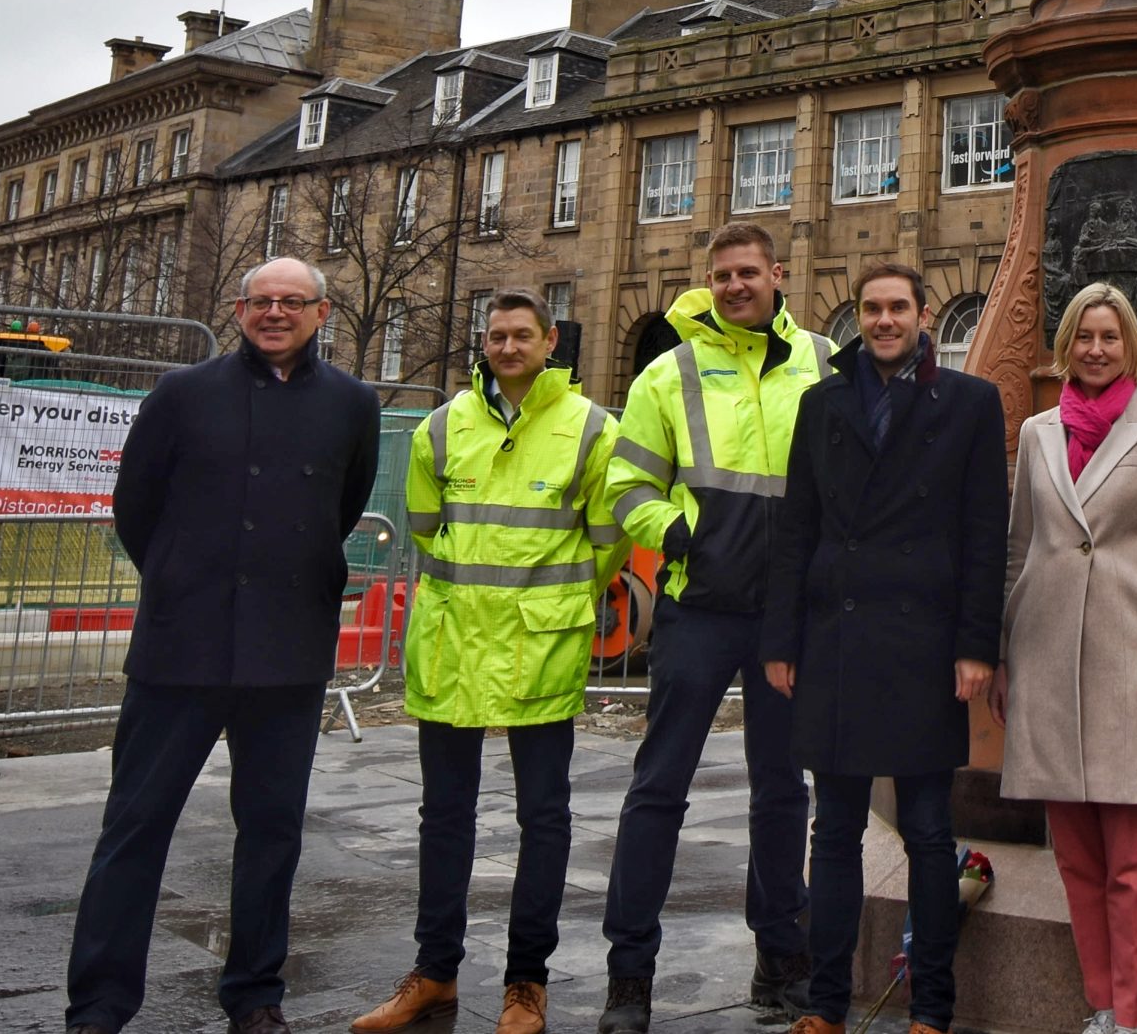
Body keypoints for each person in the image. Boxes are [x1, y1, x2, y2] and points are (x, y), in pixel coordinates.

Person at [64, 257, 380, 1034]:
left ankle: (255, 994)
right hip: (182, 647)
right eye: (260, 301)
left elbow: (342, 505)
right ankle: (101, 1003)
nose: (275, 312)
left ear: (321, 312)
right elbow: (136, 505)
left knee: (272, 832)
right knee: (134, 828)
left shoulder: (352, 404)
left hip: (288, 651)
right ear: (239, 309)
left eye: (291, 301)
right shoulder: (182, 393)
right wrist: (179, 577)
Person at [351, 290, 628, 1034]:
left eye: (522, 335)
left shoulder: (593, 429)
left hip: (540, 646)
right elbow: (426, 529)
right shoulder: (441, 428)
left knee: (545, 818)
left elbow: (609, 542)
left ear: (551, 340)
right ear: (484, 342)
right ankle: (434, 971)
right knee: (443, 816)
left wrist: (541, 601)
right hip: (452, 645)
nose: (508, 346)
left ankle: (525, 983)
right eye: (496, 335)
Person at [595, 223, 834, 1034]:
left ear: (778, 273)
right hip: (699, 608)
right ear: (711, 280)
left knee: (780, 794)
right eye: (722, 274)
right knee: (658, 789)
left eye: (749, 272)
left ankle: (783, 960)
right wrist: (675, 534)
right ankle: (629, 976)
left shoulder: (825, 361)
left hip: (787, 618)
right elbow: (626, 483)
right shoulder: (671, 369)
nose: (736, 285)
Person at [763, 263, 1008, 1034]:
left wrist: (977, 645)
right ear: (858, 318)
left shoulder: (970, 402)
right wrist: (780, 638)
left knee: (930, 832)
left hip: (926, 641)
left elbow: (982, 535)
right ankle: (826, 1005)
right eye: (871, 308)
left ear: (923, 313)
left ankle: (932, 1008)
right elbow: (795, 526)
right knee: (832, 829)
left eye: (897, 306)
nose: (883, 320)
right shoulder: (822, 401)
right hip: (835, 635)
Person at [994, 282, 1137, 1034]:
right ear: (1067, 344)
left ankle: (1136, 1014)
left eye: (1110, 336)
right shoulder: (1040, 432)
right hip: (1046, 659)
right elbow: (1021, 550)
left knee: (1133, 863)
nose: (1096, 348)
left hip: (1128, 660)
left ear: (1131, 344)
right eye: (1084, 335)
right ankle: (1103, 1004)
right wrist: (1005, 655)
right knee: (1076, 857)